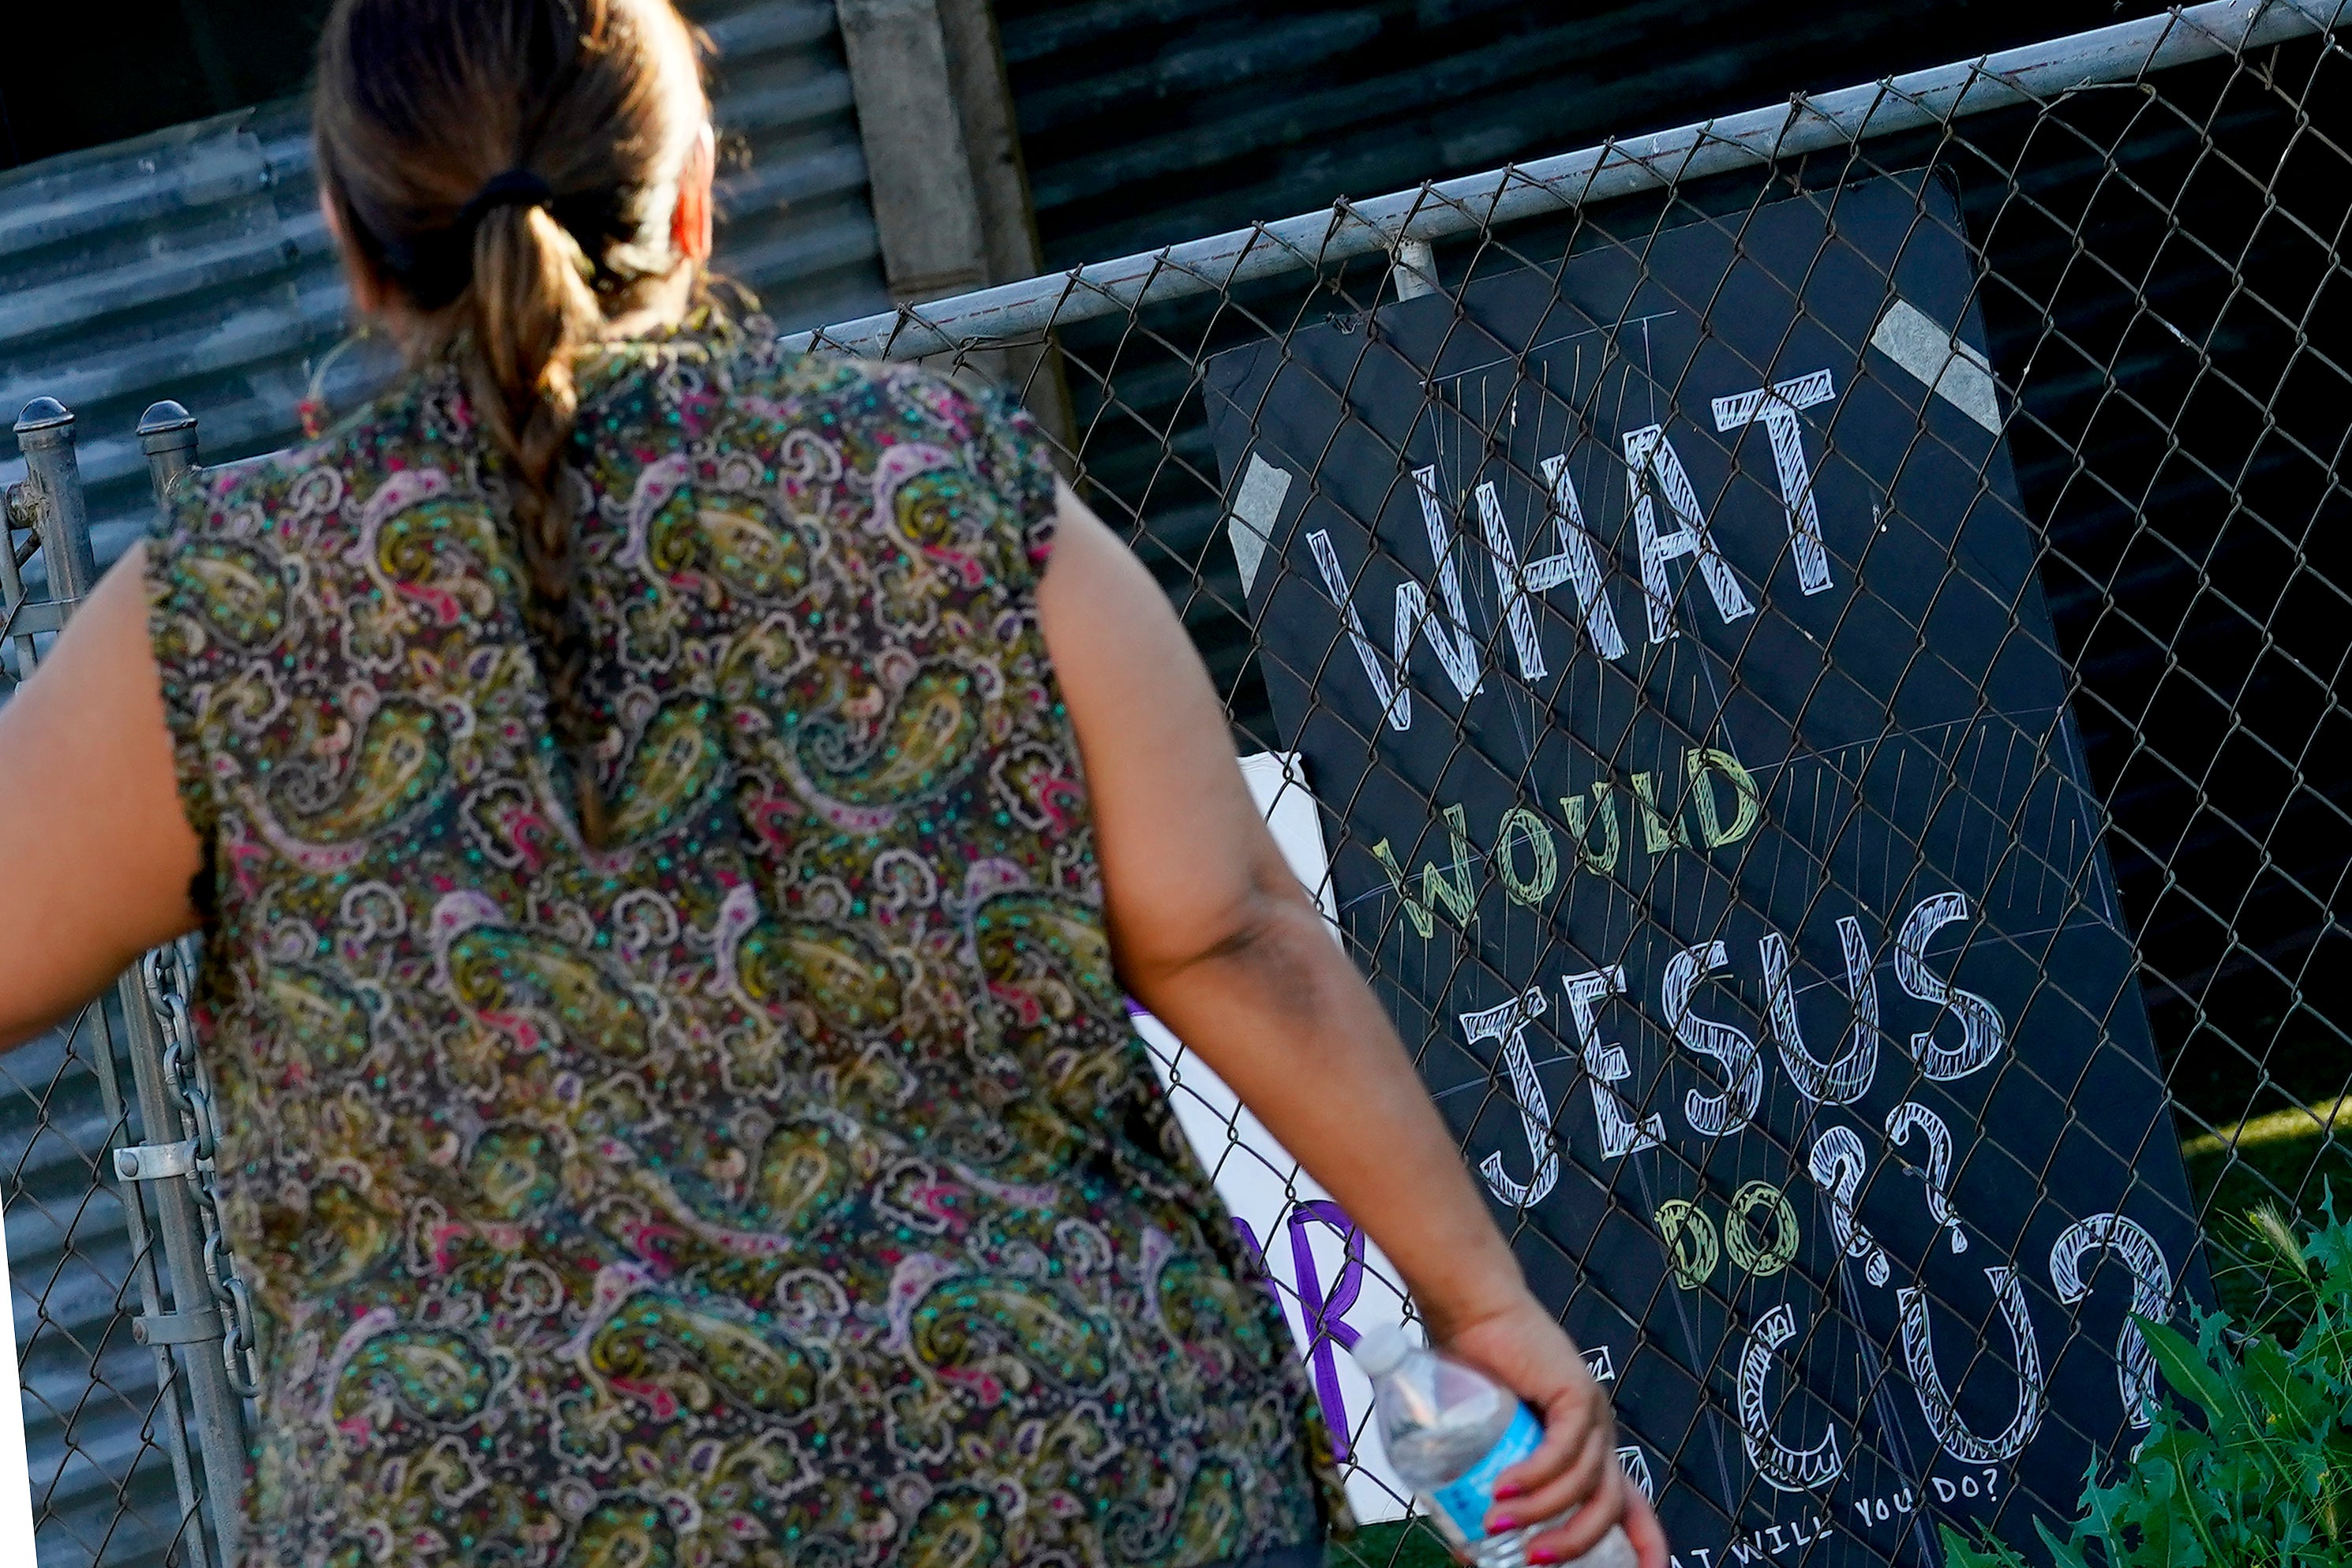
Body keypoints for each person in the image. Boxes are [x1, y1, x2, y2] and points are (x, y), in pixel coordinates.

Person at [0, 2, 1667, 1564]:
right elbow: (1222, 929)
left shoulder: (220, 614)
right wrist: (1474, 1296)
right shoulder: (947, 485)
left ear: (352, 233)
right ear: (698, 193)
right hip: (1068, 1466)